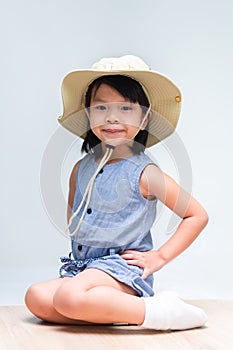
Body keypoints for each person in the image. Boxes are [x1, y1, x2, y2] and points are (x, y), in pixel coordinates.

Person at [25, 55, 208, 330]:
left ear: (144, 118)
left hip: (123, 272)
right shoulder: (81, 168)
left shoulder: (145, 173)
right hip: (87, 269)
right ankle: (106, 309)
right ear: (88, 116)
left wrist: (158, 257)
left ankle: (157, 311)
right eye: (101, 108)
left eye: (125, 108)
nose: (112, 117)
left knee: (69, 296)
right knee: (36, 297)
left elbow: (197, 215)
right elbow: (75, 217)